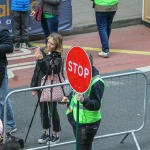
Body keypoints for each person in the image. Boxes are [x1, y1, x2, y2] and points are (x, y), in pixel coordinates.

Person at [61, 53, 105, 150]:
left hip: (87, 124)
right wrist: (68, 99)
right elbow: (74, 93)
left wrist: (84, 100)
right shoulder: (80, 75)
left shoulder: (96, 82)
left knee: (83, 147)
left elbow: (96, 105)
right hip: (77, 120)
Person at [30, 33, 64, 145]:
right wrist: (34, 87)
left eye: (52, 44)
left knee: (53, 111)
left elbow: (48, 70)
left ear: (57, 45)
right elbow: (37, 70)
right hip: (41, 85)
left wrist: (40, 60)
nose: (48, 45)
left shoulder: (58, 58)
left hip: (50, 87)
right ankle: (45, 132)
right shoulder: (44, 51)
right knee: (43, 111)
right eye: (48, 42)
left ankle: (55, 134)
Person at [0, 25, 17, 134]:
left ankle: (10, 123)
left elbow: (9, 47)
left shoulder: (2, 30)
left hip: (0, 68)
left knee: (2, 98)